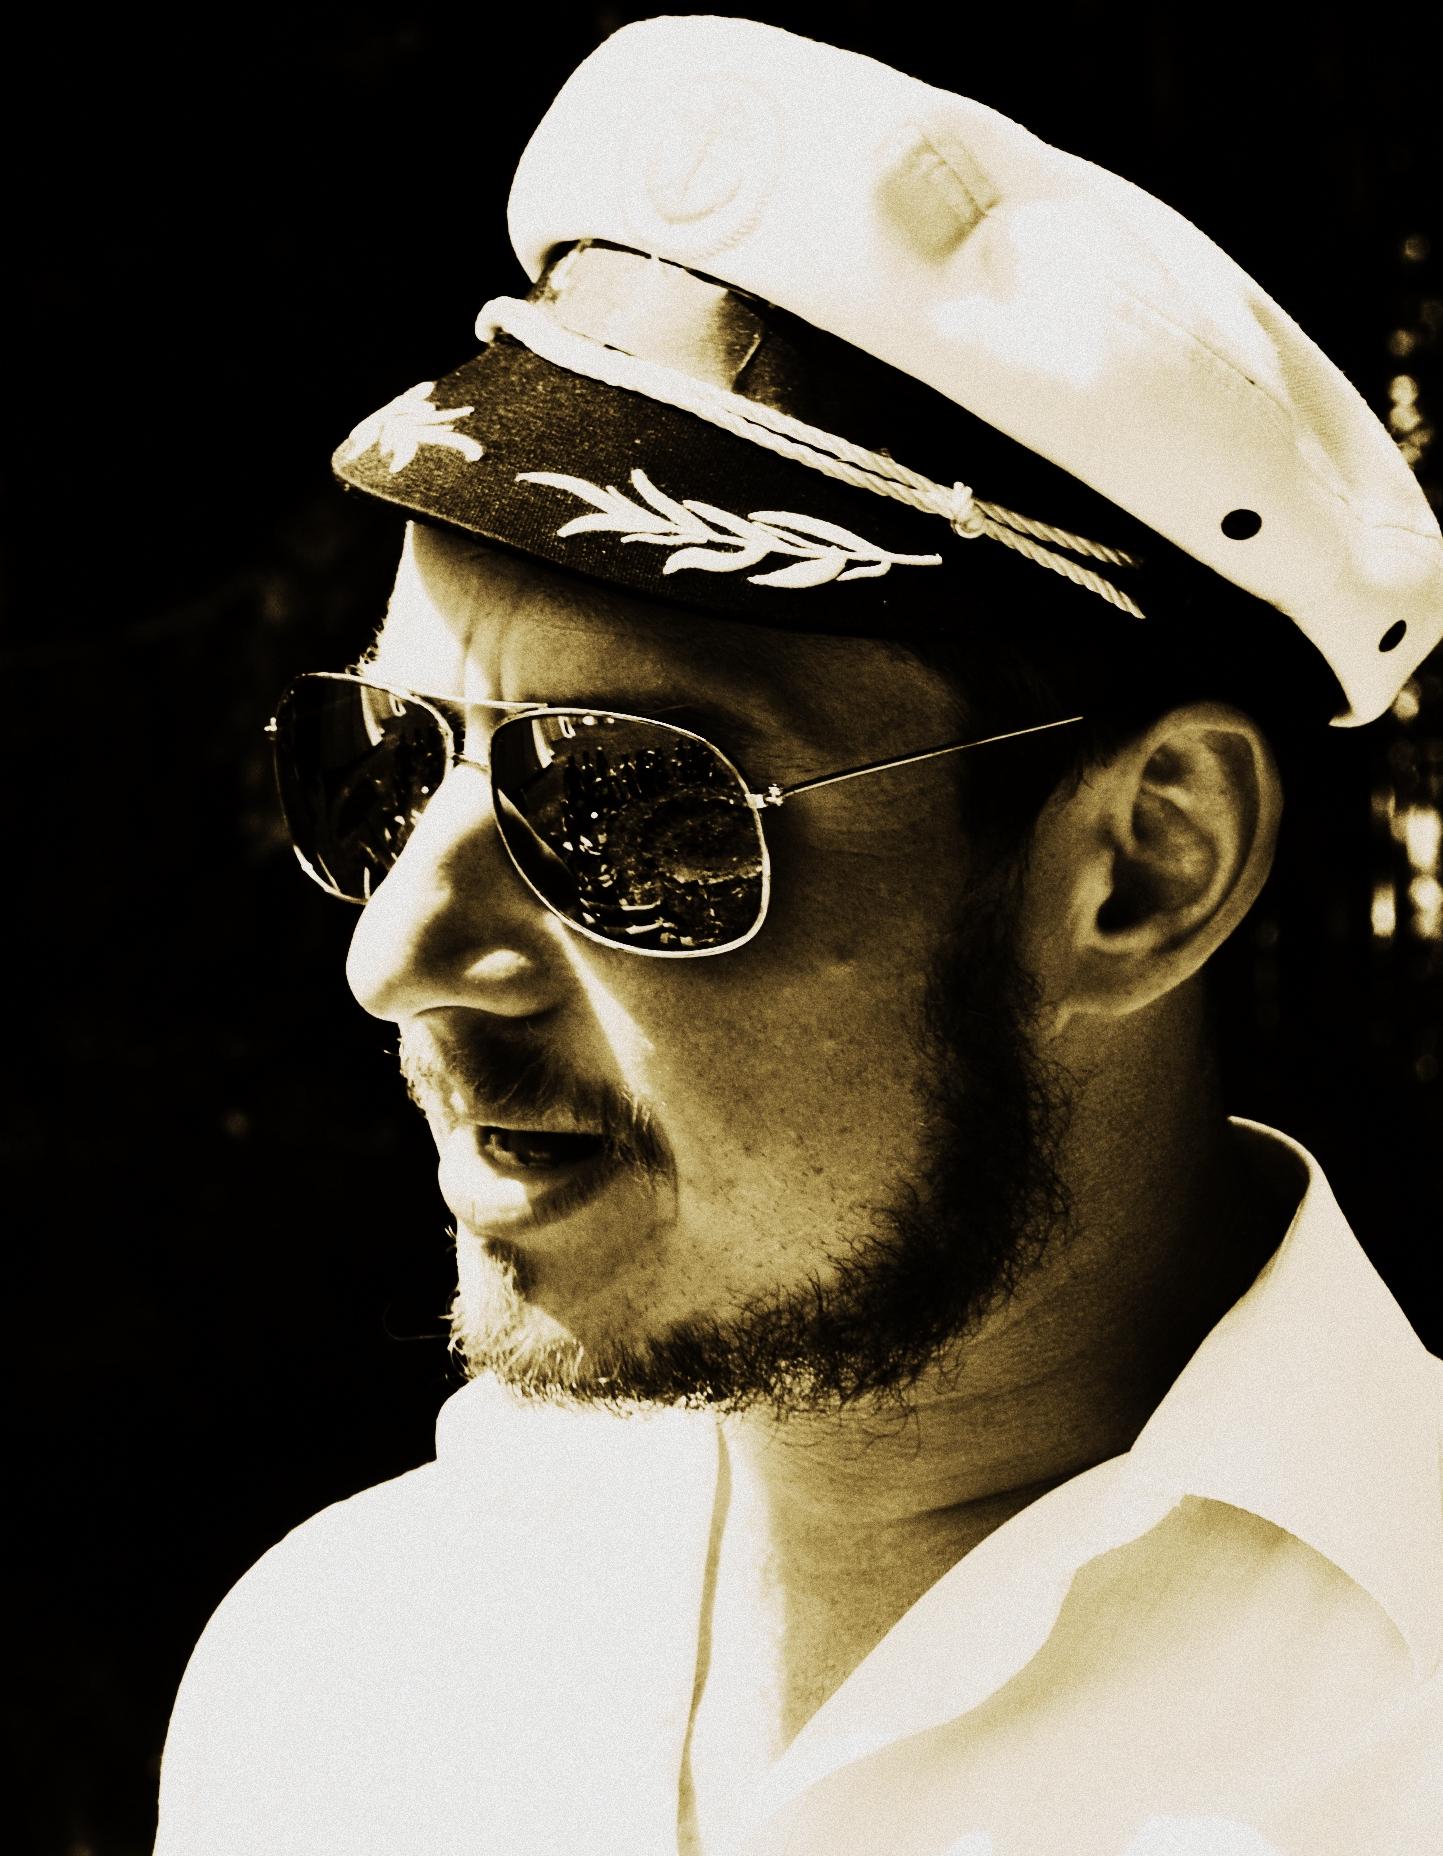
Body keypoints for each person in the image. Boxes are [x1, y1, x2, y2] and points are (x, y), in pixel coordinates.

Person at [155, 17, 1443, 1855]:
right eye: (388, 759)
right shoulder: (346, 1674)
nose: (400, 958)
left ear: (1148, 870)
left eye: (630, 803)